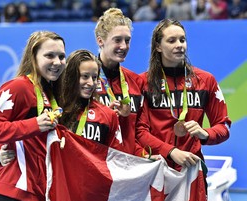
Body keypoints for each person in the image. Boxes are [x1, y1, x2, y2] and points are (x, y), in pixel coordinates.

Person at [0, 30, 66, 201]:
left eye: (61, 56)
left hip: (41, 198)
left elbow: (25, 138)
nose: (57, 62)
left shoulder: (53, 95)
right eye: (49, 55)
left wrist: (2, 150)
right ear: (33, 57)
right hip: (14, 197)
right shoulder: (19, 87)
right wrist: (34, 125)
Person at [136, 19, 231, 179]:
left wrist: (205, 134)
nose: (179, 45)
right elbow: (139, 132)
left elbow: (224, 127)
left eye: (182, 39)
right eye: (171, 41)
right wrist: (170, 151)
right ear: (158, 46)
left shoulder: (206, 80)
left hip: (192, 170)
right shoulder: (143, 83)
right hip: (155, 170)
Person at [94, 8, 147, 157]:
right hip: (96, 166)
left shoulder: (136, 81)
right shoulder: (84, 80)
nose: (124, 46)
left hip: (128, 168)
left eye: (127, 40)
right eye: (117, 40)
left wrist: (145, 155)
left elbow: (138, 131)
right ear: (100, 41)